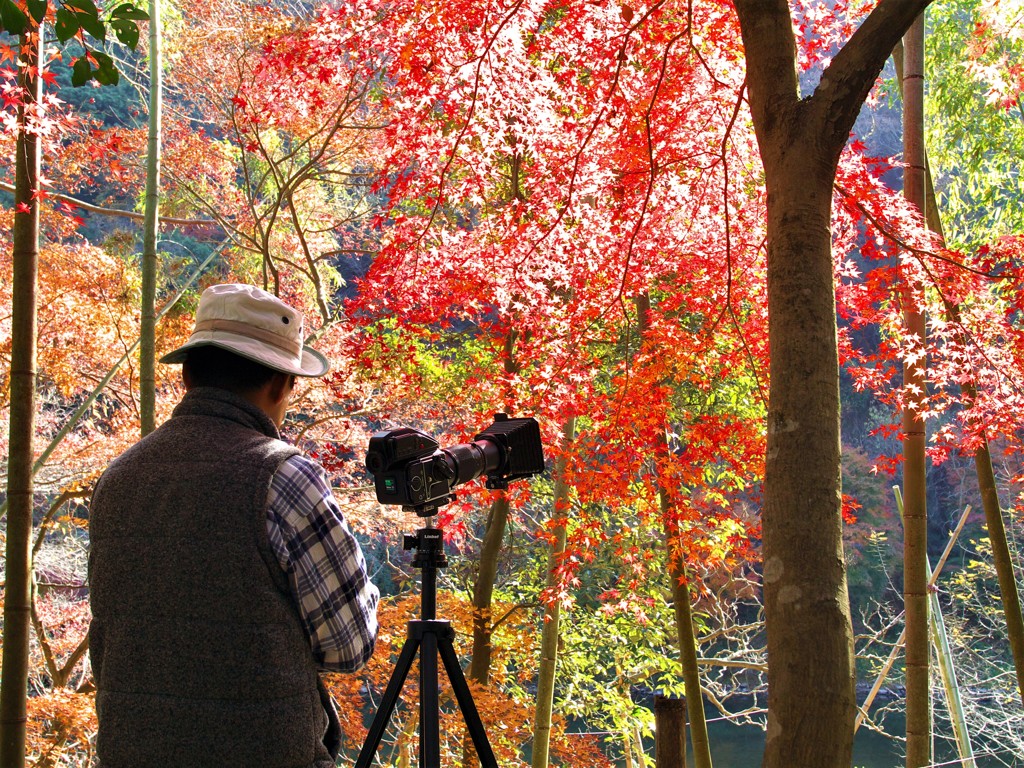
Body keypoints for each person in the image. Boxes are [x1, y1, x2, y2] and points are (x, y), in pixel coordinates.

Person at [88, 283, 379, 768]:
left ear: (188, 375)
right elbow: (347, 646)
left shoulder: (118, 476)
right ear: (280, 384)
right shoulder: (282, 475)